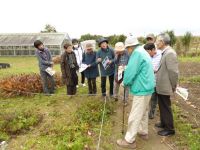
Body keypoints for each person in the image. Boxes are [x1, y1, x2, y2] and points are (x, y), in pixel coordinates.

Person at [117, 36, 155, 149]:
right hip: (148, 87)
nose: (127, 51)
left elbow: (131, 72)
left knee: (135, 114)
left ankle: (129, 140)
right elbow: (137, 68)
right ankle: (143, 132)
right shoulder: (142, 51)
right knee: (143, 111)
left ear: (130, 47)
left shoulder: (136, 54)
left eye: (127, 49)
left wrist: (125, 82)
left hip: (142, 88)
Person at [155, 33, 179, 136]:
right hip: (161, 85)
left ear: (163, 42)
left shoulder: (170, 53)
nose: (156, 43)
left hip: (166, 86)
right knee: (162, 105)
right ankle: (164, 123)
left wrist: (173, 86)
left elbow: (173, 72)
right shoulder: (165, 52)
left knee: (165, 106)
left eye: (157, 41)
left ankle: (170, 129)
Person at [144, 43, 162, 119]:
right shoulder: (148, 55)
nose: (147, 54)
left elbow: (154, 68)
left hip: (157, 81)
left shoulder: (160, 55)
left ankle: (152, 113)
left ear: (153, 50)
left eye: (148, 52)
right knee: (149, 97)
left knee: (154, 98)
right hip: (149, 80)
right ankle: (147, 112)